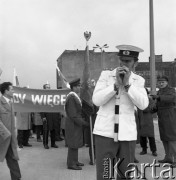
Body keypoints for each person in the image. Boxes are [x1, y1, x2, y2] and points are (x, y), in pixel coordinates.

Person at [92, 45, 149, 180]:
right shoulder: (106, 75)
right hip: (105, 132)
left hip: (127, 133)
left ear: (136, 63)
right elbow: (96, 100)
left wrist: (128, 85)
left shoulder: (138, 80)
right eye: (121, 60)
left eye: (128, 61)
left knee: (125, 174)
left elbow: (143, 104)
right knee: (105, 174)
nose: (123, 64)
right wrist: (115, 86)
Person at [65, 78, 89, 170]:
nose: (80, 87)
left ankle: (75, 161)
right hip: (73, 124)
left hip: (75, 124)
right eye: (78, 86)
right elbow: (73, 115)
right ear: (73, 87)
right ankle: (71, 164)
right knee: (73, 144)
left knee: (75, 143)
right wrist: (84, 123)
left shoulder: (74, 97)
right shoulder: (71, 98)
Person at [152, 76, 176, 166]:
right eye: (159, 82)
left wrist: (158, 97)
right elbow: (157, 105)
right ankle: (168, 157)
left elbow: (171, 98)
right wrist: (152, 109)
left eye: (163, 82)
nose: (161, 84)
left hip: (170, 115)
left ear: (167, 82)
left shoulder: (171, 90)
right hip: (161, 116)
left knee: (171, 138)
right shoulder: (159, 91)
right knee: (164, 137)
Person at [0, 82, 21, 180]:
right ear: (6, 91)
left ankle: (16, 178)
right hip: (3, 138)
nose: (13, 91)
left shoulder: (10, 103)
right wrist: (6, 134)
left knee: (13, 158)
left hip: (10, 139)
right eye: (11, 89)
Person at [138, 88, 157, 156]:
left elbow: (150, 108)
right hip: (142, 118)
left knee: (151, 136)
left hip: (148, 118)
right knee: (142, 136)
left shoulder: (150, 99)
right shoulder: (139, 99)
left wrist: (142, 108)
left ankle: (153, 150)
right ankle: (144, 149)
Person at [41, 83, 59, 149]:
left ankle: (53, 143)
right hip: (46, 116)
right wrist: (43, 116)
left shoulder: (52, 95)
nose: (48, 88)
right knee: (46, 130)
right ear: (44, 88)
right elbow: (41, 107)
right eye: (47, 87)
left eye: (49, 87)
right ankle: (45, 144)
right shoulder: (42, 97)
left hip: (53, 115)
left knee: (53, 129)